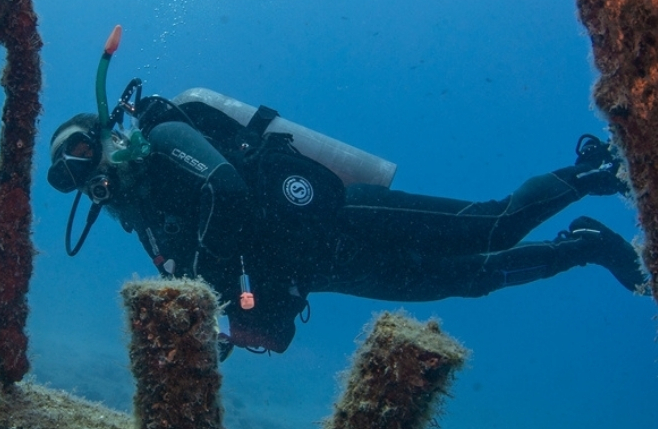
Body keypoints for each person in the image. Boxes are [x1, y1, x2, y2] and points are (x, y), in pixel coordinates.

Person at [47, 83, 649, 360]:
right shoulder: (147, 222)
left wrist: (208, 296)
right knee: (473, 277)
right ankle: (583, 247)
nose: (81, 173)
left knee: (487, 228)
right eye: (67, 175)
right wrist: (231, 329)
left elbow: (227, 191)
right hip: (327, 269)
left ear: (105, 134)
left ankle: (593, 173)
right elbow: (228, 292)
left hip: (342, 216)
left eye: (78, 151)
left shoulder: (162, 134)